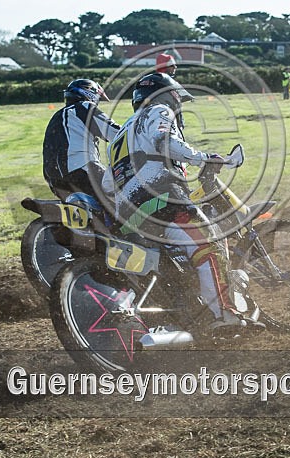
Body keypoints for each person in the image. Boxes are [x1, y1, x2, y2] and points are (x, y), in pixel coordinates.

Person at [102, 72, 264, 333]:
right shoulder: (158, 110)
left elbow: (107, 185)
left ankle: (192, 310)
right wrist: (205, 158)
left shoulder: (120, 135)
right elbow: (164, 141)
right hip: (163, 200)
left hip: (130, 216)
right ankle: (226, 314)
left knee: (181, 261)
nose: (178, 104)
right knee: (209, 246)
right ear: (165, 95)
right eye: (176, 97)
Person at [43, 79, 121, 200]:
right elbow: (116, 133)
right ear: (91, 94)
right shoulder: (84, 107)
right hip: (81, 170)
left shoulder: (56, 116)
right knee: (122, 194)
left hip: (54, 180)